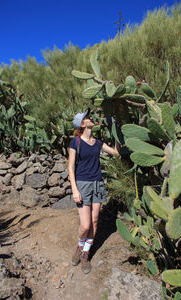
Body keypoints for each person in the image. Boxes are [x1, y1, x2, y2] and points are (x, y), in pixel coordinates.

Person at [68, 108, 120, 274]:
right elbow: (70, 168)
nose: (91, 118)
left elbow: (116, 153)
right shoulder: (75, 142)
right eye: (87, 117)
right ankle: (79, 245)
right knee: (85, 225)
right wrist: (75, 190)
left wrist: (117, 134)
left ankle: (85, 253)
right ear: (83, 124)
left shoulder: (98, 143)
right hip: (82, 184)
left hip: (97, 183)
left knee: (95, 221)